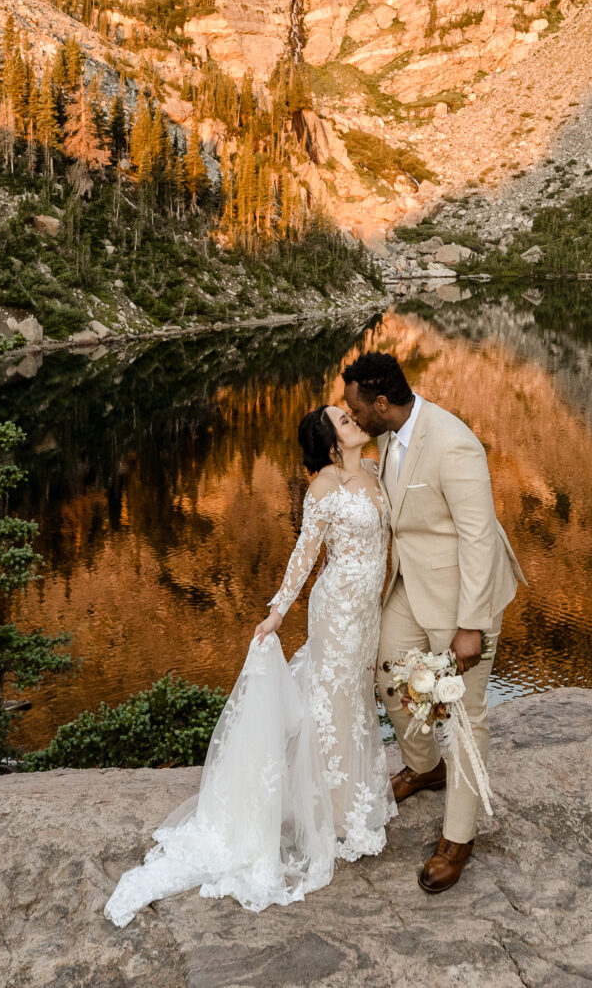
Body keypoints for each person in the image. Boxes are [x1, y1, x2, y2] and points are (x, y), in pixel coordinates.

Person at [104, 402, 394, 925]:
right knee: (332, 703)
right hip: (339, 611)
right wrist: (277, 614)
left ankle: (350, 796)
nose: (353, 419)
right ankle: (326, 811)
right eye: (344, 420)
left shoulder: (373, 470)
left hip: (368, 609)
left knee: (352, 698)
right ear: (331, 444)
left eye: (350, 415)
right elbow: (304, 556)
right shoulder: (325, 487)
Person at [340, 349, 526, 895]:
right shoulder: (388, 434)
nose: (348, 414)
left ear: (380, 402)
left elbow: (478, 537)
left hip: (463, 596)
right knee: (386, 677)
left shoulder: (454, 443)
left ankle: (458, 838)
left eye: (353, 406)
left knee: (465, 717)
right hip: (410, 584)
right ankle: (424, 767)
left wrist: (473, 624)